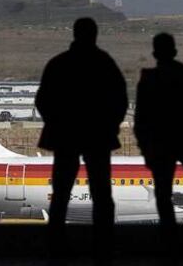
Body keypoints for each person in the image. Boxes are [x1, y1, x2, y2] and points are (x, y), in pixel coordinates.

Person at [35, 17, 128, 253]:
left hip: (65, 135)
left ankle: (55, 242)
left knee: (62, 191)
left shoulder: (59, 63)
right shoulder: (104, 63)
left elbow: (43, 100)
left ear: (74, 34)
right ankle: (104, 242)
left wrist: (57, 124)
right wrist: (109, 126)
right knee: (102, 191)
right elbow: (120, 100)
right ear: (95, 35)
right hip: (98, 136)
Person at [134, 33, 183, 246]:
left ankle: (168, 228)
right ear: (174, 52)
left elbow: (141, 119)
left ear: (155, 53)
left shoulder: (149, 79)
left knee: (163, 190)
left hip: (160, 143)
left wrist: (145, 148)